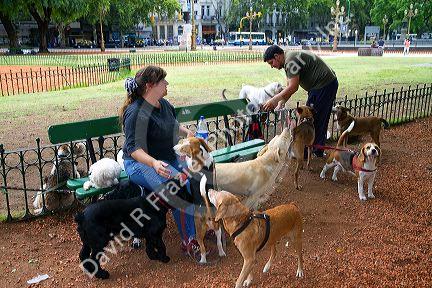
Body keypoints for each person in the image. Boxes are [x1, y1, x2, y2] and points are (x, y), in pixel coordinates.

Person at [119, 66, 200, 259]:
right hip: (141, 164)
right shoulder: (135, 112)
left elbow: (172, 124)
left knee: (196, 176)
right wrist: (154, 163)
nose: (167, 84)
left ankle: (204, 226)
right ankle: (189, 240)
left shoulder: (163, 104)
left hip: (168, 158)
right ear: (149, 86)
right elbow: (133, 149)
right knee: (177, 185)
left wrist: (186, 132)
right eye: (163, 81)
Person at [262, 45, 338, 157]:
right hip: (322, 86)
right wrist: (281, 102)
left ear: (277, 56)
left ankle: (312, 151)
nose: (272, 66)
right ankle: (315, 150)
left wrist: (274, 99)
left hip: (323, 85)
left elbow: (293, 87)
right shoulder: (288, 59)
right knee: (316, 118)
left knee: (313, 119)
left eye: (271, 63)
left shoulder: (290, 61)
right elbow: (289, 87)